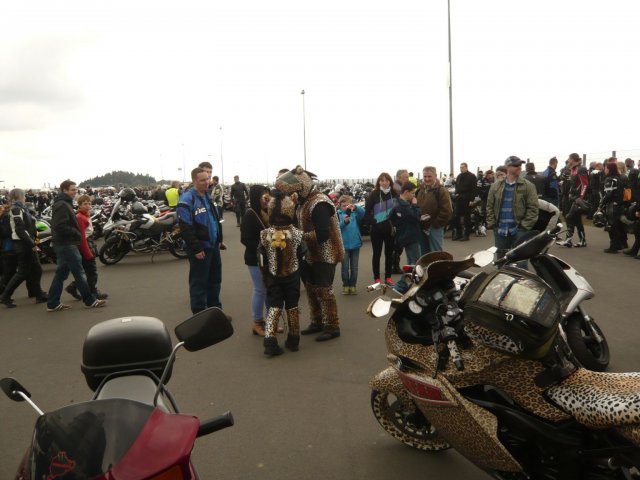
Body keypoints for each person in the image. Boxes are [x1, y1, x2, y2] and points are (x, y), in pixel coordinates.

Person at [275, 166, 344, 342]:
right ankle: (317, 321)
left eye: (296, 191)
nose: (294, 194)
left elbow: (323, 234)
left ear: (303, 186)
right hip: (311, 254)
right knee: (311, 288)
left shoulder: (319, 203)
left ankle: (332, 325)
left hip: (326, 253)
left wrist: (297, 237)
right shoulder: (304, 201)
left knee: (324, 290)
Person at [46, 180, 107, 311]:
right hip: (67, 243)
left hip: (64, 243)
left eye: (76, 189)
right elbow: (60, 226)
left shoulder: (63, 203)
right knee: (79, 272)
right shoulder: (62, 204)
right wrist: (76, 233)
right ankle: (89, 300)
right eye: (72, 189)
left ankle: (52, 302)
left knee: (61, 274)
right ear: (64, 190)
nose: (75, 192)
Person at [258, 193, 306, 356]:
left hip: (273, 276)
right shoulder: (297, 233)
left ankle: (270, 341)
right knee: (292, 306)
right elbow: (302, 253)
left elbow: (261, 258)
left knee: (274, 306)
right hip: (292, 274)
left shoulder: (265, 234)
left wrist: (265, 274)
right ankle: (293, 339)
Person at [177, 167, 226, 314]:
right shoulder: (187, 199)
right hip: (200, 249)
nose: (207, 182)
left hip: (213, 246)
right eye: (203, 180)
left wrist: (219, 239)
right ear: (194, 181)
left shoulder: (208, 196)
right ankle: (199, 316)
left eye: (208, 179)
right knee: (199, 283)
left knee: (215, 281)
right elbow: (185, 228)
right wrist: (196, 248)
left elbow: (214, 219)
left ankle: (215, 312)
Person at [0, 189, 48, 307]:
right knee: (23, 272)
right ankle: (5, 296)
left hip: (25, 243)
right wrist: (32, 244)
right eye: (24, 196)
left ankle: (38, 294)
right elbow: (20, 229)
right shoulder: (16, 209)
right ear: (19, 196)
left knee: (36, 270)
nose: (25, 197)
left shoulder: (21, 208)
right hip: (23, 244)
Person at [486, 156, 539, 259]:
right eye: (515, 165)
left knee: (520, 262)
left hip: (519, 231)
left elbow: (533, 208)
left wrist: (524, 227)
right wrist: (493, 224)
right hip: (500, 231)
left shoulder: (528, 186)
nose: (519, 167)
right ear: (507, 167)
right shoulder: (495, 186)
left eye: (520, 165)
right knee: (502, 262)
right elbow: (489, 206)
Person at [64, 195, 108, 301]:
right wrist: (87, 253)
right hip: (85, 246)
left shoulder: (85, 215)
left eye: (89, 203)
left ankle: (73, 287)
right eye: (85, 204)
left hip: (89, 244)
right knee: (92, 272)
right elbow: (82, 238)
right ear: (79, 205)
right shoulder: (80, 217)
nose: (88, 206)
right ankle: (93, 292)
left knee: (86, 271)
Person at [240, 184, 270, 336]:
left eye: (268, 197)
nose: (266, 200)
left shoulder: (267, 212)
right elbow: (245, 239)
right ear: (256, 198)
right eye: (264, 197)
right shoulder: (250, 214)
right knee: (260, 290)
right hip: (255, 259)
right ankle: (257, 322)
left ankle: (270, 322)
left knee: (270, 290)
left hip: (269, 259)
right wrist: (262, 249)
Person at [364, 172, 398, 285]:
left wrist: (395, 223)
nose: (384, 182)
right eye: (382, 180)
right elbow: (366, 213)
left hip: (390, 230)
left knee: (389, 255)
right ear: (379, 182)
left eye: (386, 180)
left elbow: (398, 212)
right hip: (376, 231)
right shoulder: (374, 194)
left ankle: (388, 277)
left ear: (390, 182)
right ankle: (377, 278)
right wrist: (374, 223)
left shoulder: (394, 194)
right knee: (376, 254)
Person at [389, 182, 421, 294]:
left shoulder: (396, 202)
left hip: (403, 235)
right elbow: (416, 217)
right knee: (415, 261)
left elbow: (391, 217)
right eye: (412, 193)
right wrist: (415, 205)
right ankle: (401, 285)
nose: (414, 196)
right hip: (410, 236)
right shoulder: (405, 205)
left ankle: (407, 284)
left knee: (411, 260)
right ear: (406, 192)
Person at [415, 166, 453, 253]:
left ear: (435, 176)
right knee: (424, 255)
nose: (427, 179)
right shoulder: (420, 190)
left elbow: (447, 211)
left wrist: (435, 225)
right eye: (425, 176)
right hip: (422, 228)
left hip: (435, 228)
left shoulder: (441, 190)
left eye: (429, 176)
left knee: (436, 254)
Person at [557, 153, 589, 248]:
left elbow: (585, 184)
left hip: (577, 198)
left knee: (570, 217)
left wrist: (581, 198)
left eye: (569, 158)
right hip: (571, 197)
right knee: (575, 219)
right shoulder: (573, 169)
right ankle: (579, 240)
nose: (568, 160)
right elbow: (574, 184)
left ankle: (570, 239)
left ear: (572, 159)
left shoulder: (581, 169)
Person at [337, 195, 365, 295]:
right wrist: (344, 222)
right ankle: (346, 285)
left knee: (354, 268)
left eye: (348, 205)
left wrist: (356, 207)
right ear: (340, 206)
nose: (346, 207)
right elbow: (336, 227)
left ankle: (353, 285)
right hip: (344, 245)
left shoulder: (354, 213)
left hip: (355, 244)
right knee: (344, 268)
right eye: (343, 205)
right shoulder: (337, 214)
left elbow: (363, 213)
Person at [600, 160, 628, 253]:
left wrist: (601, 204)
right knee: (619, 226)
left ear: (609, 169)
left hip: (612, 205)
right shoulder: (620, 178)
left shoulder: (609, 179)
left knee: (612, 226)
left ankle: (614, 247)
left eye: (605, 168)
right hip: (620, 205)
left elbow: (608, 194)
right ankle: (622, 244)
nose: (604, 170)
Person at [450, 162, 477, 241]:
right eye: (460, 167)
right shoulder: (459, 176)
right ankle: (459, 234)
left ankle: (466, 235)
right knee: (456, 217)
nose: (461, 169)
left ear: (466, 167)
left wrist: (471, 200)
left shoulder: (472, 176)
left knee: (466, 218)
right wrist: (455, 193)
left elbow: (474, 189)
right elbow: (457, 186)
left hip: (467, 199)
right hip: (459, 199)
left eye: (462, 167)